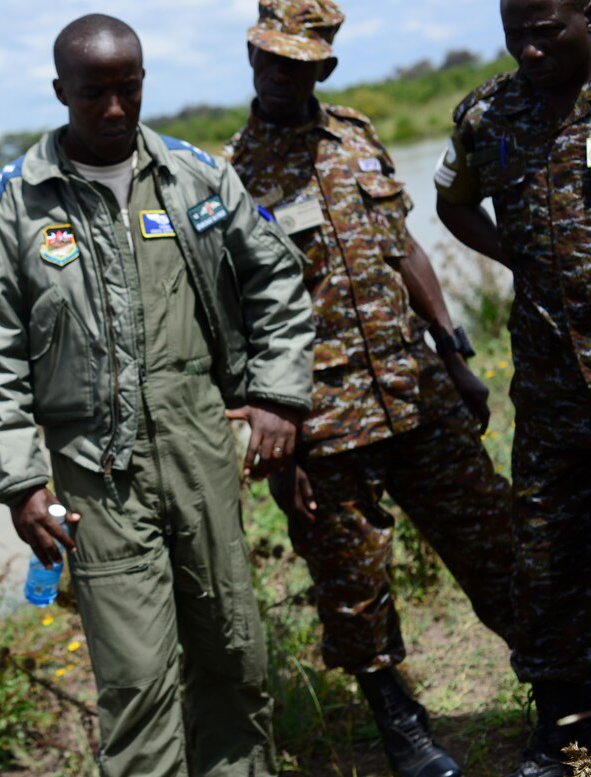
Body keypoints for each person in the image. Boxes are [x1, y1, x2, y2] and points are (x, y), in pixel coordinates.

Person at [0, 13, 315, 777]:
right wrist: (21, 482)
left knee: (233, 652)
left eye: (129, 88)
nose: (115, 109)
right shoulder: (9, 207)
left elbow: (276, 278)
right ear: (61, 92)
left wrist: (280, 395)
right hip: (95, 473)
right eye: (94, 94)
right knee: (137, 681)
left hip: (200, 447)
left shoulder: (199, 179)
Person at [225, 2, 519, 776]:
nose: (283, 74)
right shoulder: (224, 176)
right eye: (270, 58)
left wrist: (454, 350)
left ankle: (557, 682)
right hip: (319, 419)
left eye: (300, 61)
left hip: (413, 385)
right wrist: (271, 448)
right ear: (251, 56)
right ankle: (399, 718)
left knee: (494, 537)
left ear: (324, 65)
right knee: (352, 584)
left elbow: (405, 247)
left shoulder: (355, 135)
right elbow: (227, 320)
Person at [434, 0, 591, 772]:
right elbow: (451, 204)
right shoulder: (486, 113)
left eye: (548, 31)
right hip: (551, 382)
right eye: (515, 33)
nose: (531, 50)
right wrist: (518, 259)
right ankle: (565, 726)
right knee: (548, 550)